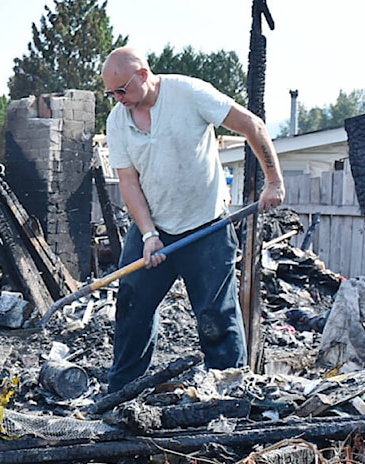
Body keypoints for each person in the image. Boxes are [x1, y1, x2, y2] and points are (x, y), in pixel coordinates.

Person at [102, 46, 285, 392]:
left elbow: (251, 125)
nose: (117, 98)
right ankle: (122, 393)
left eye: (122, 90)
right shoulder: (117, 120)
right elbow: (128, 182)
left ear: (143, 74)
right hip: (156, 229)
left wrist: (274, 181)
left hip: (206, 228)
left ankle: (230, 394)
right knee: (131, 306)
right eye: (111, 93)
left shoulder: (188, 93)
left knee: (216, 318)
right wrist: (148, 234)